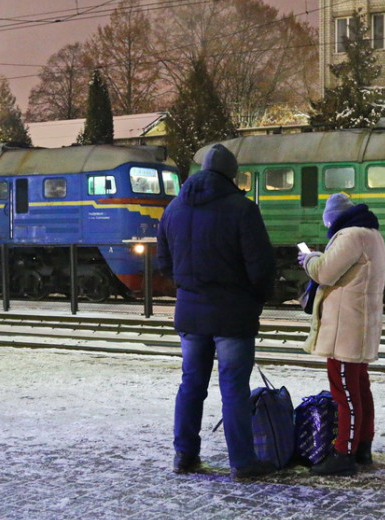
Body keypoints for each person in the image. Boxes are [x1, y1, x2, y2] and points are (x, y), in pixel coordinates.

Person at [157, 143, 277, 480]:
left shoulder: (173, 209)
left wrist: (190, 286)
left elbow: (164, 263)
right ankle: (242, 462)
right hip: (232, 314)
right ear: (231, 174)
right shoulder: (242, 209)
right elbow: (261, 267)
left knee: (191, 384)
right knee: (234, 388)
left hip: (191, 313)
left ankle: (184, 456)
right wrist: (256, 298)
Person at [297, 192, 385, 476]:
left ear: (333, 218)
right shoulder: (371, 234)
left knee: (344, 391)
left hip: (345, 327)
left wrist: (309, 258)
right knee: (359, 387)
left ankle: (343, 454)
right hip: (358, 324)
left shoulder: (350, 236)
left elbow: (324, 272)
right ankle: (362, 445)